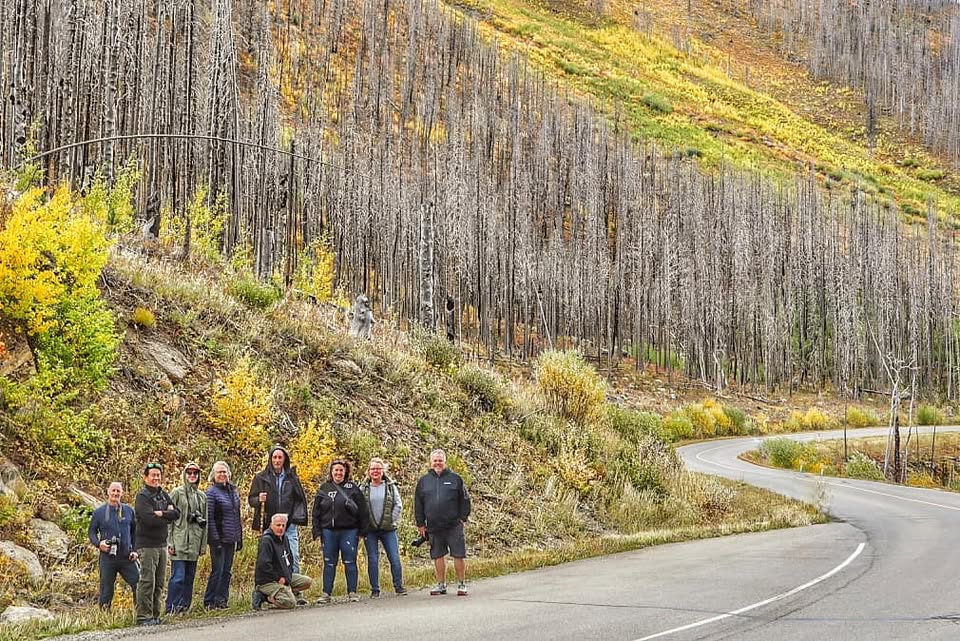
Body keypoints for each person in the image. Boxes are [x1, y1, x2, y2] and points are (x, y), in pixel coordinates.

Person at [248, 445, 308, 606]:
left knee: (292, 557)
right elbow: (251, 499)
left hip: (288, 524)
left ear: (284, 459)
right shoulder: (261, 478)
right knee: (268, 558)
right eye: (274, 457)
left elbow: (299, 499)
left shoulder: (291, 477)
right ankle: (266, 591)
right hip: (270, 524)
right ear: (270, 459)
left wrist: (294, 518)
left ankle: (296, 593)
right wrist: (258, 499)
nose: (277, 460)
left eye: (280, 457)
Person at [414, 449, 472, 597]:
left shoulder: (456, 479)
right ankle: (441, 584)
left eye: (440, 460)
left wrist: (463, 518)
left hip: (454, 526)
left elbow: (465, 500)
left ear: (445, 461)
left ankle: (461, 584)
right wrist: (420, 524)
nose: (437, 463)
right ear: (431, 462)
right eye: (435, 460)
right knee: (438, 555)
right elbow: (418, 504)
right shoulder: (424, 481)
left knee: (458, 554)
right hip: (433, 526)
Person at [312, 458, 367, 603]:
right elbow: (316, 512)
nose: (338, 473)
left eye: (341, 470)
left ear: (345, 472)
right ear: (331, 472)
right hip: (328, 532)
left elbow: (363, 511)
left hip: (349, 531)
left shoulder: (352, 488)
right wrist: (317, 532)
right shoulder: (324, 488)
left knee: (350, 562)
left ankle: (352, 592)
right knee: (329, 562)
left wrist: (362, 531)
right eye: (336, 470)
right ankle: (326, 593)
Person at [134, 462, 180, 625]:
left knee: (159, 583)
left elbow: (176, 514)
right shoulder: (142, 496)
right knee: (147, 582)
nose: (156, 478)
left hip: (162, 544)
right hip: (147, 545)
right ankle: (143, 616)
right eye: (153, 475)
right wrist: (166, 515)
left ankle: (155, 615)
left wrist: (161, 513)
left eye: (158, 475)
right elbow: (149, 519)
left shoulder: (163, 494)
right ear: (145, 477)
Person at [88, 482, 139, 610]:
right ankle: (104, 616)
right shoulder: (99, 512)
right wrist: (99, 544)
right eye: (113, 490)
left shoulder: (129, 511)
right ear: (108, 492)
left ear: (122, 493)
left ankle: (141, 613)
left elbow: (135, 532)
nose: (115, 493)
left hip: (127, 557)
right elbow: (91, 532)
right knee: (106, 590)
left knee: (139, 583)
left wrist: (135, 550)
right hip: (108, 558)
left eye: (118, 491)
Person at [360, 457, 406, 597]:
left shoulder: (390, 486)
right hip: (370, 530)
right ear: (369, 471)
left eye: (378, 469)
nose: (375, 471)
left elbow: (398, 505)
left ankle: (398, 586)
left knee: (394, 558)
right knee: (373, 559)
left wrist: (390, 520)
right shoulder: (363, 488)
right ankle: (375, 589)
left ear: (383, 471)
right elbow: (359, 508)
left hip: (388, 529)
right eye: (373, 469)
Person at [165, 462, 208, 614]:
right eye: (189, 473)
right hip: (179, 542)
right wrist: (169, 542)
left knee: (189, 578)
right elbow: (169, 519)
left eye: (195, 473)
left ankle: (184, 608)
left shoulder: (202, 496)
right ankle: (171, 607)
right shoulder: (176, 493)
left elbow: (205, 523)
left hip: (195, 543)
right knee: (178, 577)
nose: (192, 475)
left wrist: (203, 545)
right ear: (184, 474)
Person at [204, 460, 243, 609]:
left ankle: (222, 600)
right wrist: (214, 539)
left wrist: (239, 537)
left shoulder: (233, 492)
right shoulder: (211, 493)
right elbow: (209, 517)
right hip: (218, 538)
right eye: (219, 472)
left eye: (224, 471)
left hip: (231, 537)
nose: (222, 474)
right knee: (218, 571)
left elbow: (236, 516)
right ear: (213, 475)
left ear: (229, 473)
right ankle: (210, 601)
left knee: (226, 571)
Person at [254, 513, 313, 609]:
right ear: (271, 525)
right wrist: (278, 578)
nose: (281, 528)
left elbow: (289, 560)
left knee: (307, 581)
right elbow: (263, 566)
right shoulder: (266, 541)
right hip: (268, 581)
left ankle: (286, 592)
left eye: (283, 525)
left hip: (283, 577)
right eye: (278, 525)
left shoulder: (284, 538)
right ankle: (265, 597)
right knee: (291, 603)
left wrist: (287, 577)